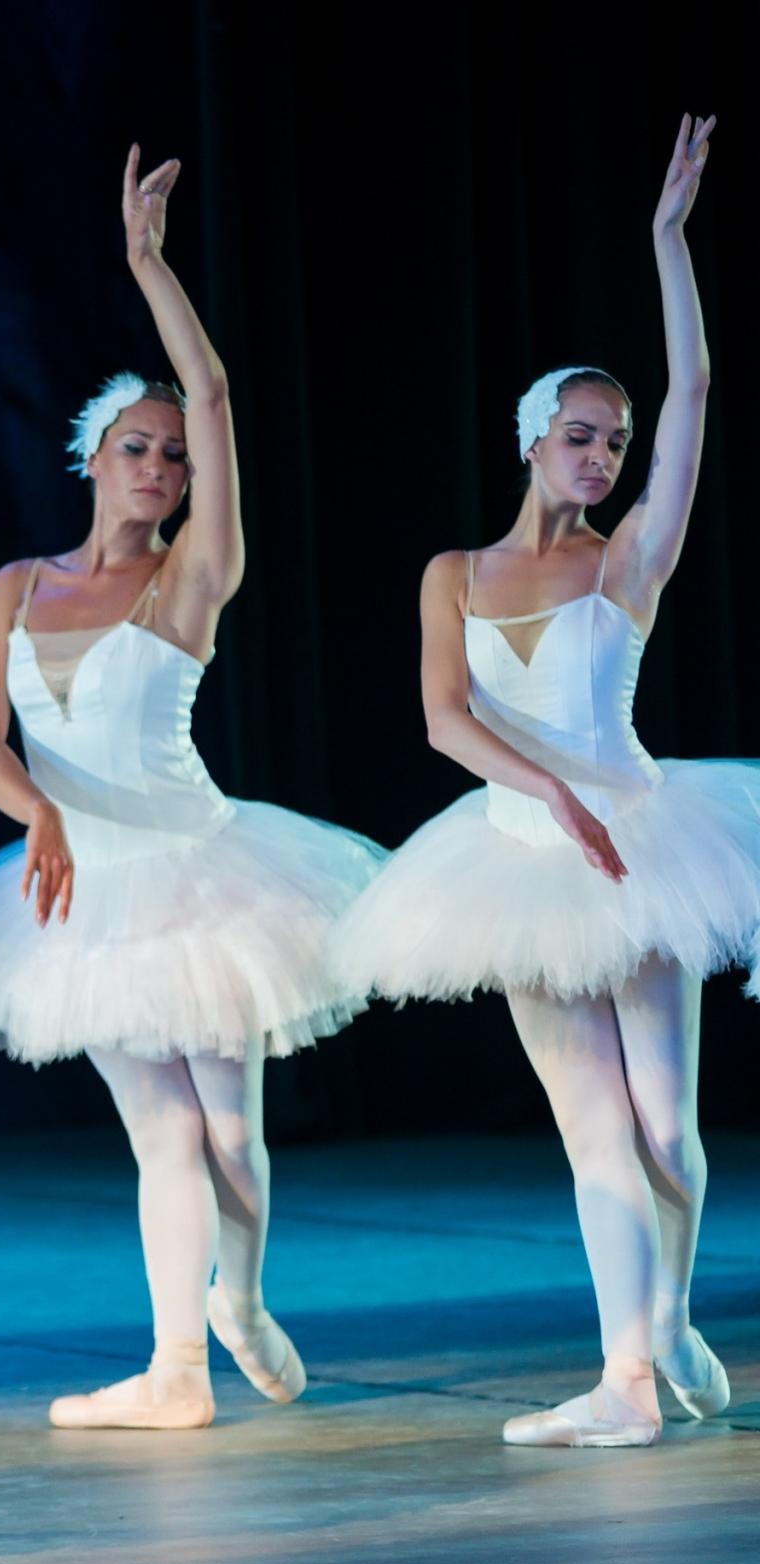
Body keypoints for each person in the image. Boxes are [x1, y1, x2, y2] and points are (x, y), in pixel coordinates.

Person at [0, 150, 385, 1430]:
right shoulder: (18, 585)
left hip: (202, 872)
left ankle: (242, 1300)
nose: (159, 464)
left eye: (172, 454)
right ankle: (174, 1370)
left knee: (229, 1132)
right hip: (80, 885)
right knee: (160, 1132)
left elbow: (211, 390)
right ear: (94, 458)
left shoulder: (190, 579)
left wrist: (145, 263)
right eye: (137, 447)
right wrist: (40, 813)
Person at [337, 118, 747, 1447]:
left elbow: (695, 393)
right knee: (591, 1131)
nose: (602, 457)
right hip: (516, 860)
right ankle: (625, 1382)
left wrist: (667, 241)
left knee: (665, 1131)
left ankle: (667, 1316)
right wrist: (545, 793)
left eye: (614, 442)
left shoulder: (626, 563)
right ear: (532, 441)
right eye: (581, 436)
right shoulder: (452, 576)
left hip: (639, 845)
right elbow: (443, 720)